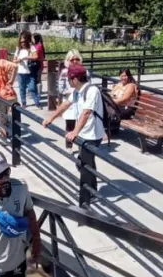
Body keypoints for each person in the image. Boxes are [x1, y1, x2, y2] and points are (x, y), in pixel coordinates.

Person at [42, 64, 104, 199]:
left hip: (92, 134)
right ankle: (91, 189)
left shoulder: (92, 91)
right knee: (86, 163)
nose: (68, 81)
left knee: (84, 163)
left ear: (75, 79)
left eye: (69, 79)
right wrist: (50, 118)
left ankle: (88, 193)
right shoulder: (77, 91)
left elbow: (86, 113)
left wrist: (74, 132)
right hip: (83, 133)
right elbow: (65, 105)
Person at [55, 49, 85, 150]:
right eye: (72, 59)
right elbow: (60, 88)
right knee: (70, 125)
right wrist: (69, 92)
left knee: (82, 125)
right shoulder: (64, 72)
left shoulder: (84, 71)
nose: (75, 61)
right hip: (69, 102)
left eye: (77, 59)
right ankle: (69, 146)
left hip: (81, 101)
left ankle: (82, 147)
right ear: (68, 60)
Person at [12, 31, 40, 108]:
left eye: (24, 42)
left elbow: (36, 56)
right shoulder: (18, 50)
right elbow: (14, 60)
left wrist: (27, 58)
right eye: (21, 42)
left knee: (32, 88)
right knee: (22, 88)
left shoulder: (31, 48)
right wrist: (19, 60)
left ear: (27, 41)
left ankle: (37, 102)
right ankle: (24, 103)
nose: (23, 43)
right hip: (20, 72)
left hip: (30, 71)